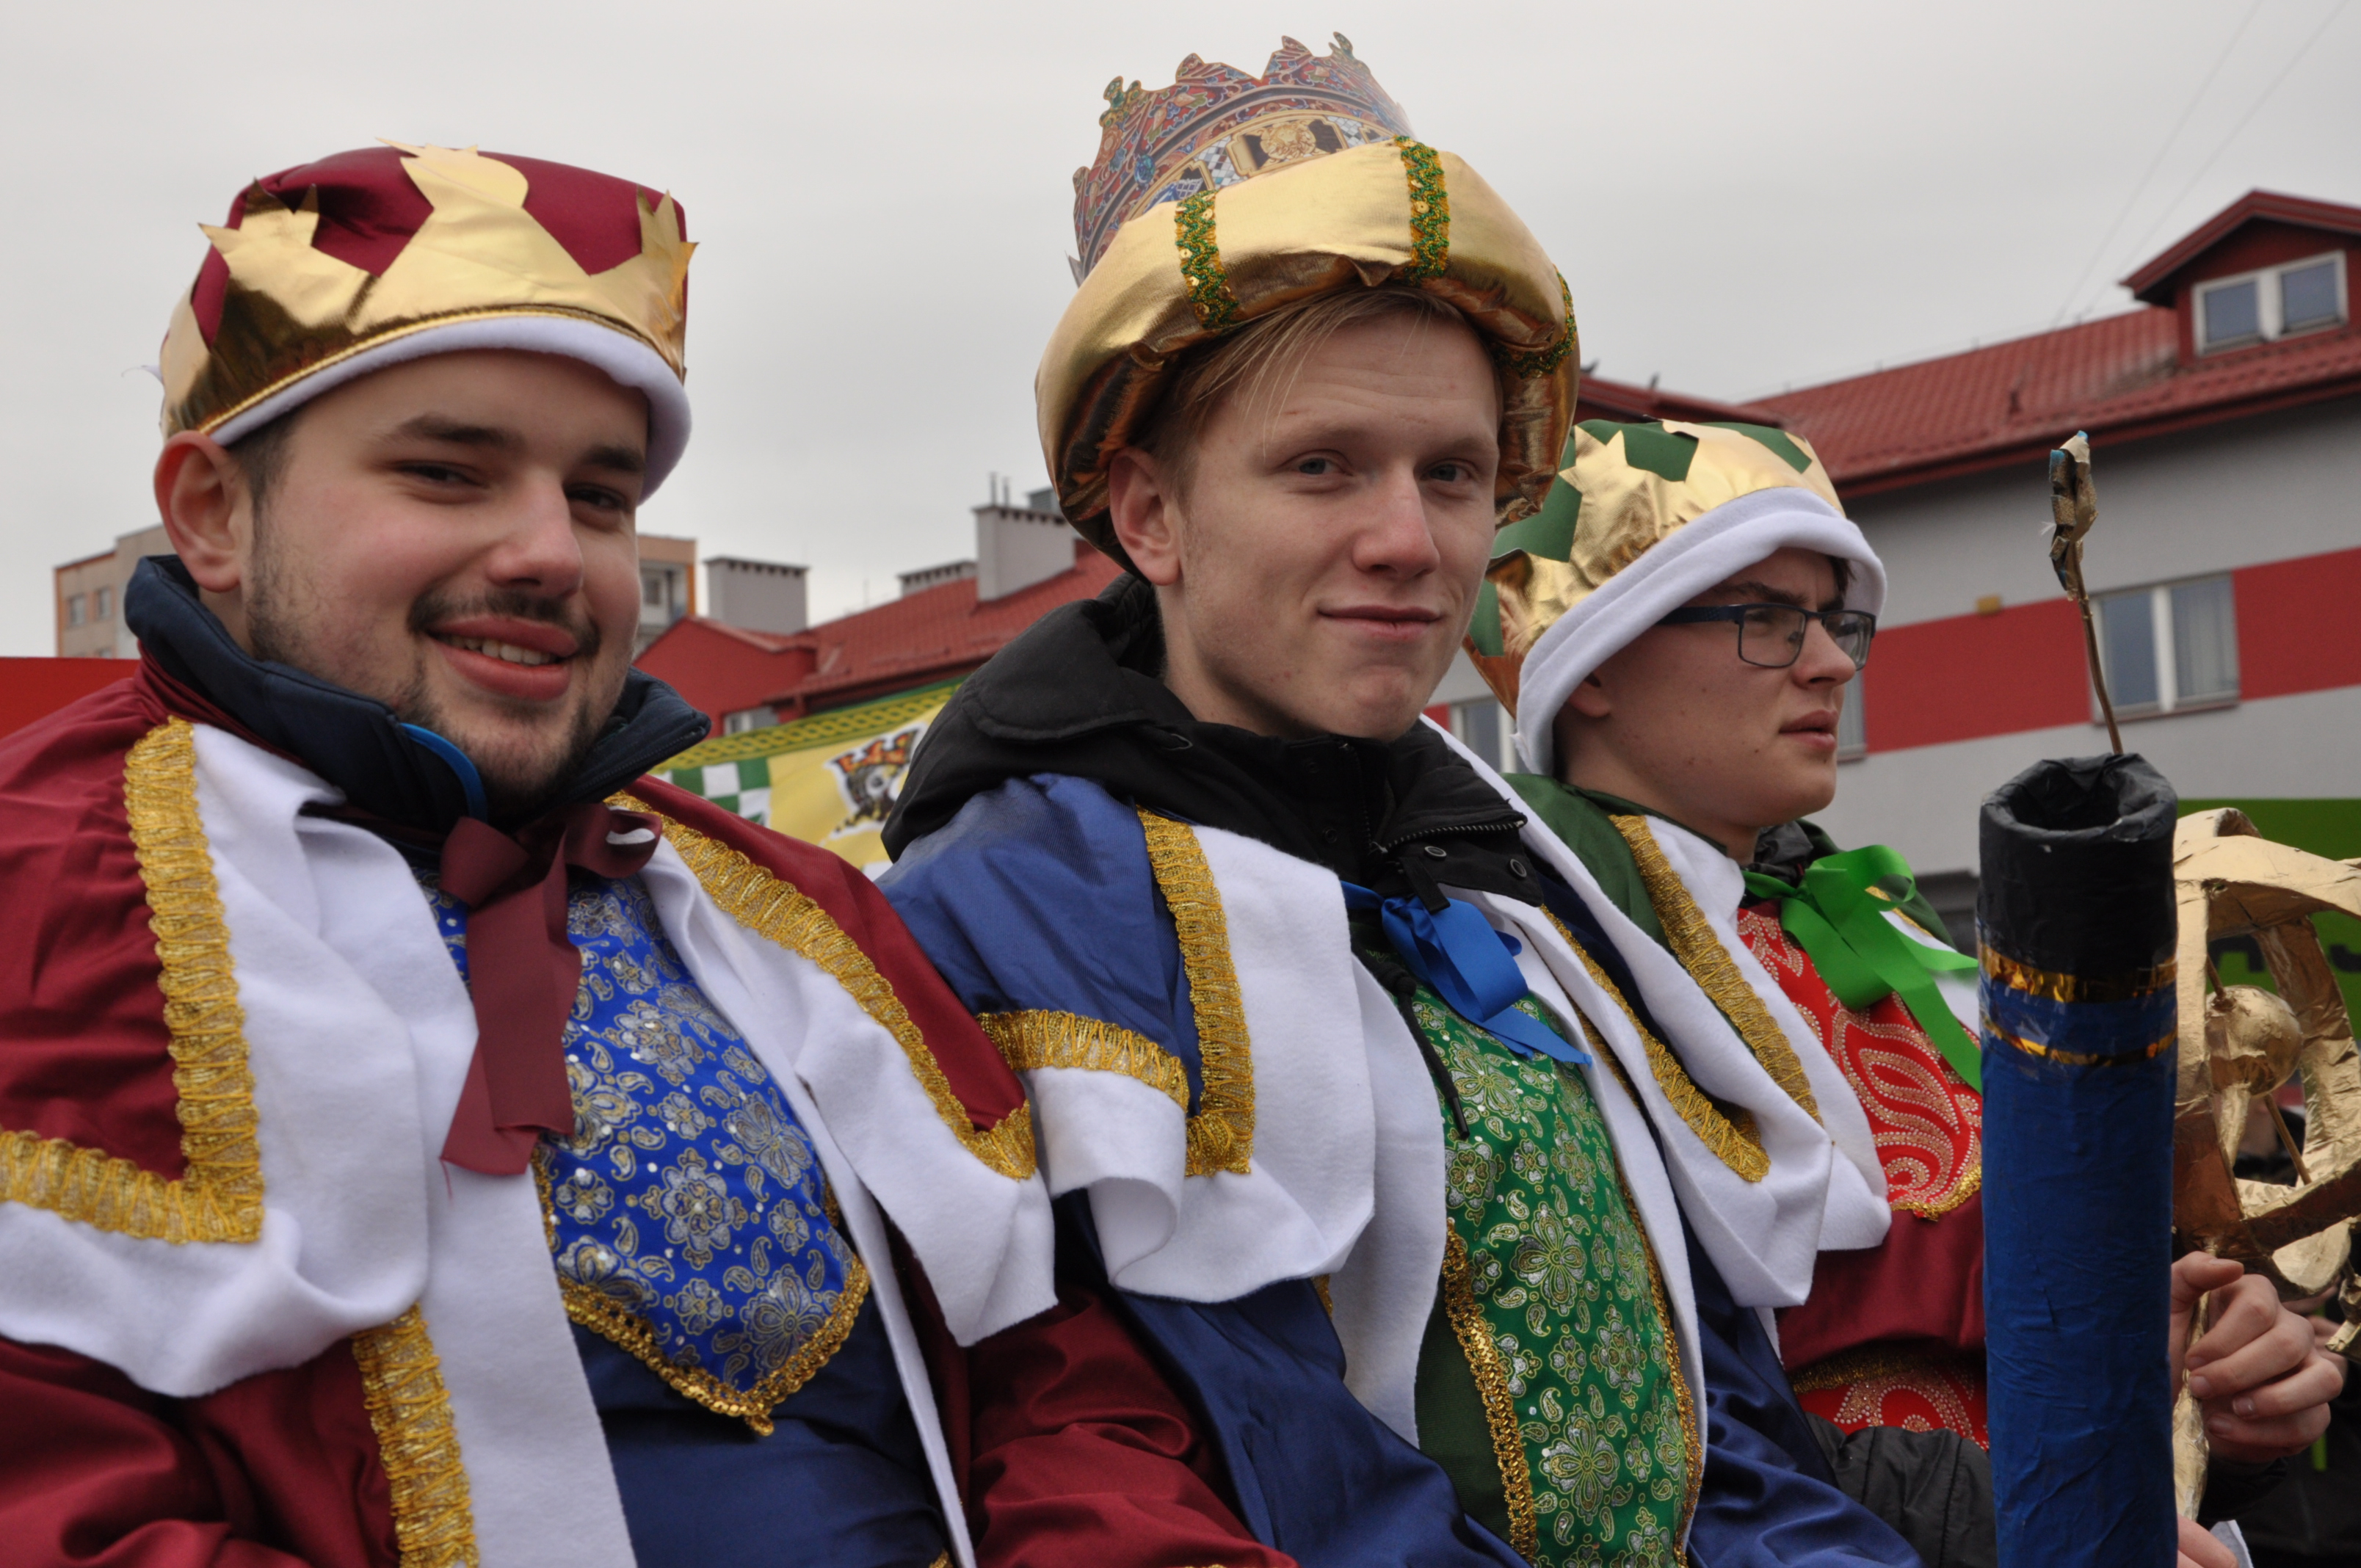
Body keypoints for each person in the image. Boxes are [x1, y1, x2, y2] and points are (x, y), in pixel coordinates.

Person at [881, 36, 1932, 1568]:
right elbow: (1164, 1466)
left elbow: (1723, 1431)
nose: (1407, 541)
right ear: (1151, 514)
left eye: (1450, 476)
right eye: (1321, 467)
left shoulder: (1517, 890)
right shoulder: (1016, 910)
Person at [0, 140, 1059, 1567]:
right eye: (449, 473)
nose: (554, 553)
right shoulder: (35, 900)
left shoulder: (790, 914)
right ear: (211, 516)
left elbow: (1062, 1386)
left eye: (604, 499)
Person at [1467, 415, 2349, 1566]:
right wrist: (2013, 1517)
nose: (1833, 662)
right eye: (1766, 622)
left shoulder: (1878, 930)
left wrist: (2213, 1406)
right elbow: (1615, 1415)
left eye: (1835, 621)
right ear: (1593, 668)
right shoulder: (1518, 963)